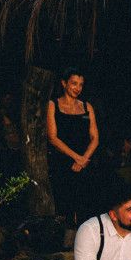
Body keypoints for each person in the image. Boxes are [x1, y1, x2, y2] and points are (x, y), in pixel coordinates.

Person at [44, 69, 99, 224]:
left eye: (81, 84)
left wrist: (83, 159)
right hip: (62, 161)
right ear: (64, 83)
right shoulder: (53, 105)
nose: (78, 88)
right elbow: (52, 137)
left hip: (85, 162)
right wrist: (76, 158)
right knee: (64, 206)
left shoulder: (87, 106)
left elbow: (95, 138)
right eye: (74, 83)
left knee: (86, 205)